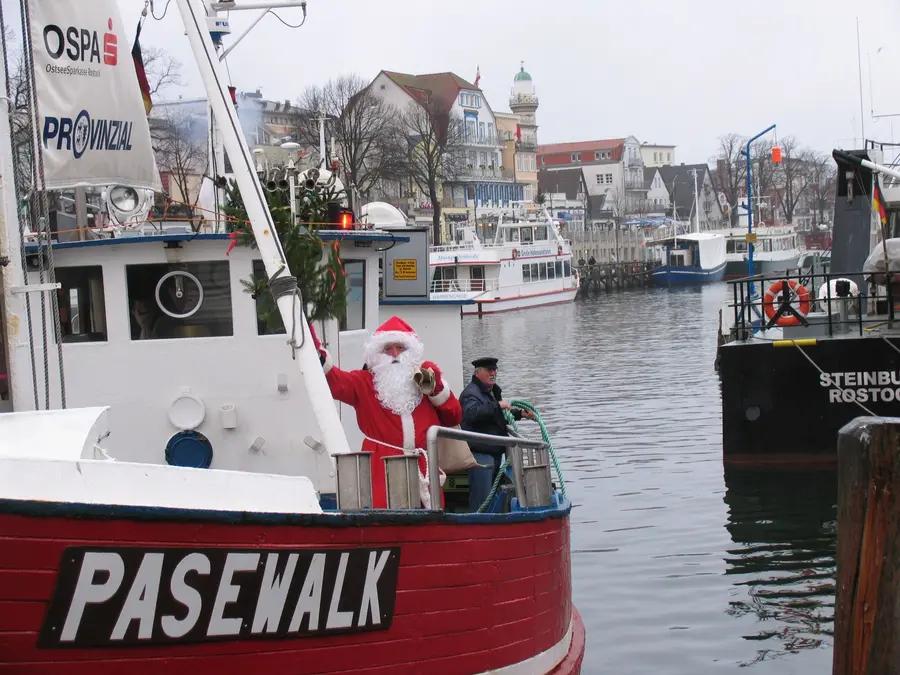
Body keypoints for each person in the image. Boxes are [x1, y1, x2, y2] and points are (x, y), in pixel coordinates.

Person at [308, 315, 462, 509]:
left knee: (429, 523)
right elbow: (334, 381)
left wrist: (436, 388)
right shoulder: (364, 383)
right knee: (383, 518)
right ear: (376, 355)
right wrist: (313, 348)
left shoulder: (426, 384)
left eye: (400, 348)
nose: (395, 354)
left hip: (424, 472)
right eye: (387, 349)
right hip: (381, 472)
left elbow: (454, 416)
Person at [460, 357, 534, 512]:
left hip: (493, 453)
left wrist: (520, 414)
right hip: (480, 455)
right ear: (477, 372)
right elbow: (472, 414)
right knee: (481, 500)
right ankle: (477, 527)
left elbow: (498, 416)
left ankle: (485, 525)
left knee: (489, 497)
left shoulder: (489, 392)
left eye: (494, 370)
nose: (493, 373)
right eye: (489, 370)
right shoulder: (471, 393)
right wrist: (497, 405)